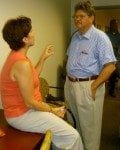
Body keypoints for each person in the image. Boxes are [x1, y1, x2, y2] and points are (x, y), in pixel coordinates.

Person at [0, 16, 84, 150]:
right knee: (72, 136)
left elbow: (31, 77)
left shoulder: (17, 56)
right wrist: (52, 110)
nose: (35, 32)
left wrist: (42, 58)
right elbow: (30, 102)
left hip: (26, 110)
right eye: (31, 31)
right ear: (25, 39)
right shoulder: (21, 63)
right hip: (22, 115)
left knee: (60, 134)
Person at [64, 1, 116, 150]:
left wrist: (93, 86)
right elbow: (69, 58)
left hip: (88, 86)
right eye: (75, 16)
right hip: (71, 85)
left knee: (89, 128)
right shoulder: (75, 36)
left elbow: (110, 66)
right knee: (73, 122)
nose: (77, 19)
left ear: (92, 18)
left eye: (82, 16)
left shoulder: (100, 38)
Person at [106, 19, 120, 97]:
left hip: (116, 58)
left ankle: (112, 89)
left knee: (115, 74)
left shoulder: (119, 35)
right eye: (113, 24)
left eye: (116, 24)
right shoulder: (106, 35)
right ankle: (109, 89)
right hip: (107, 58)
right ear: (110, 25)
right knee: (109, 74)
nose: (115, 26)